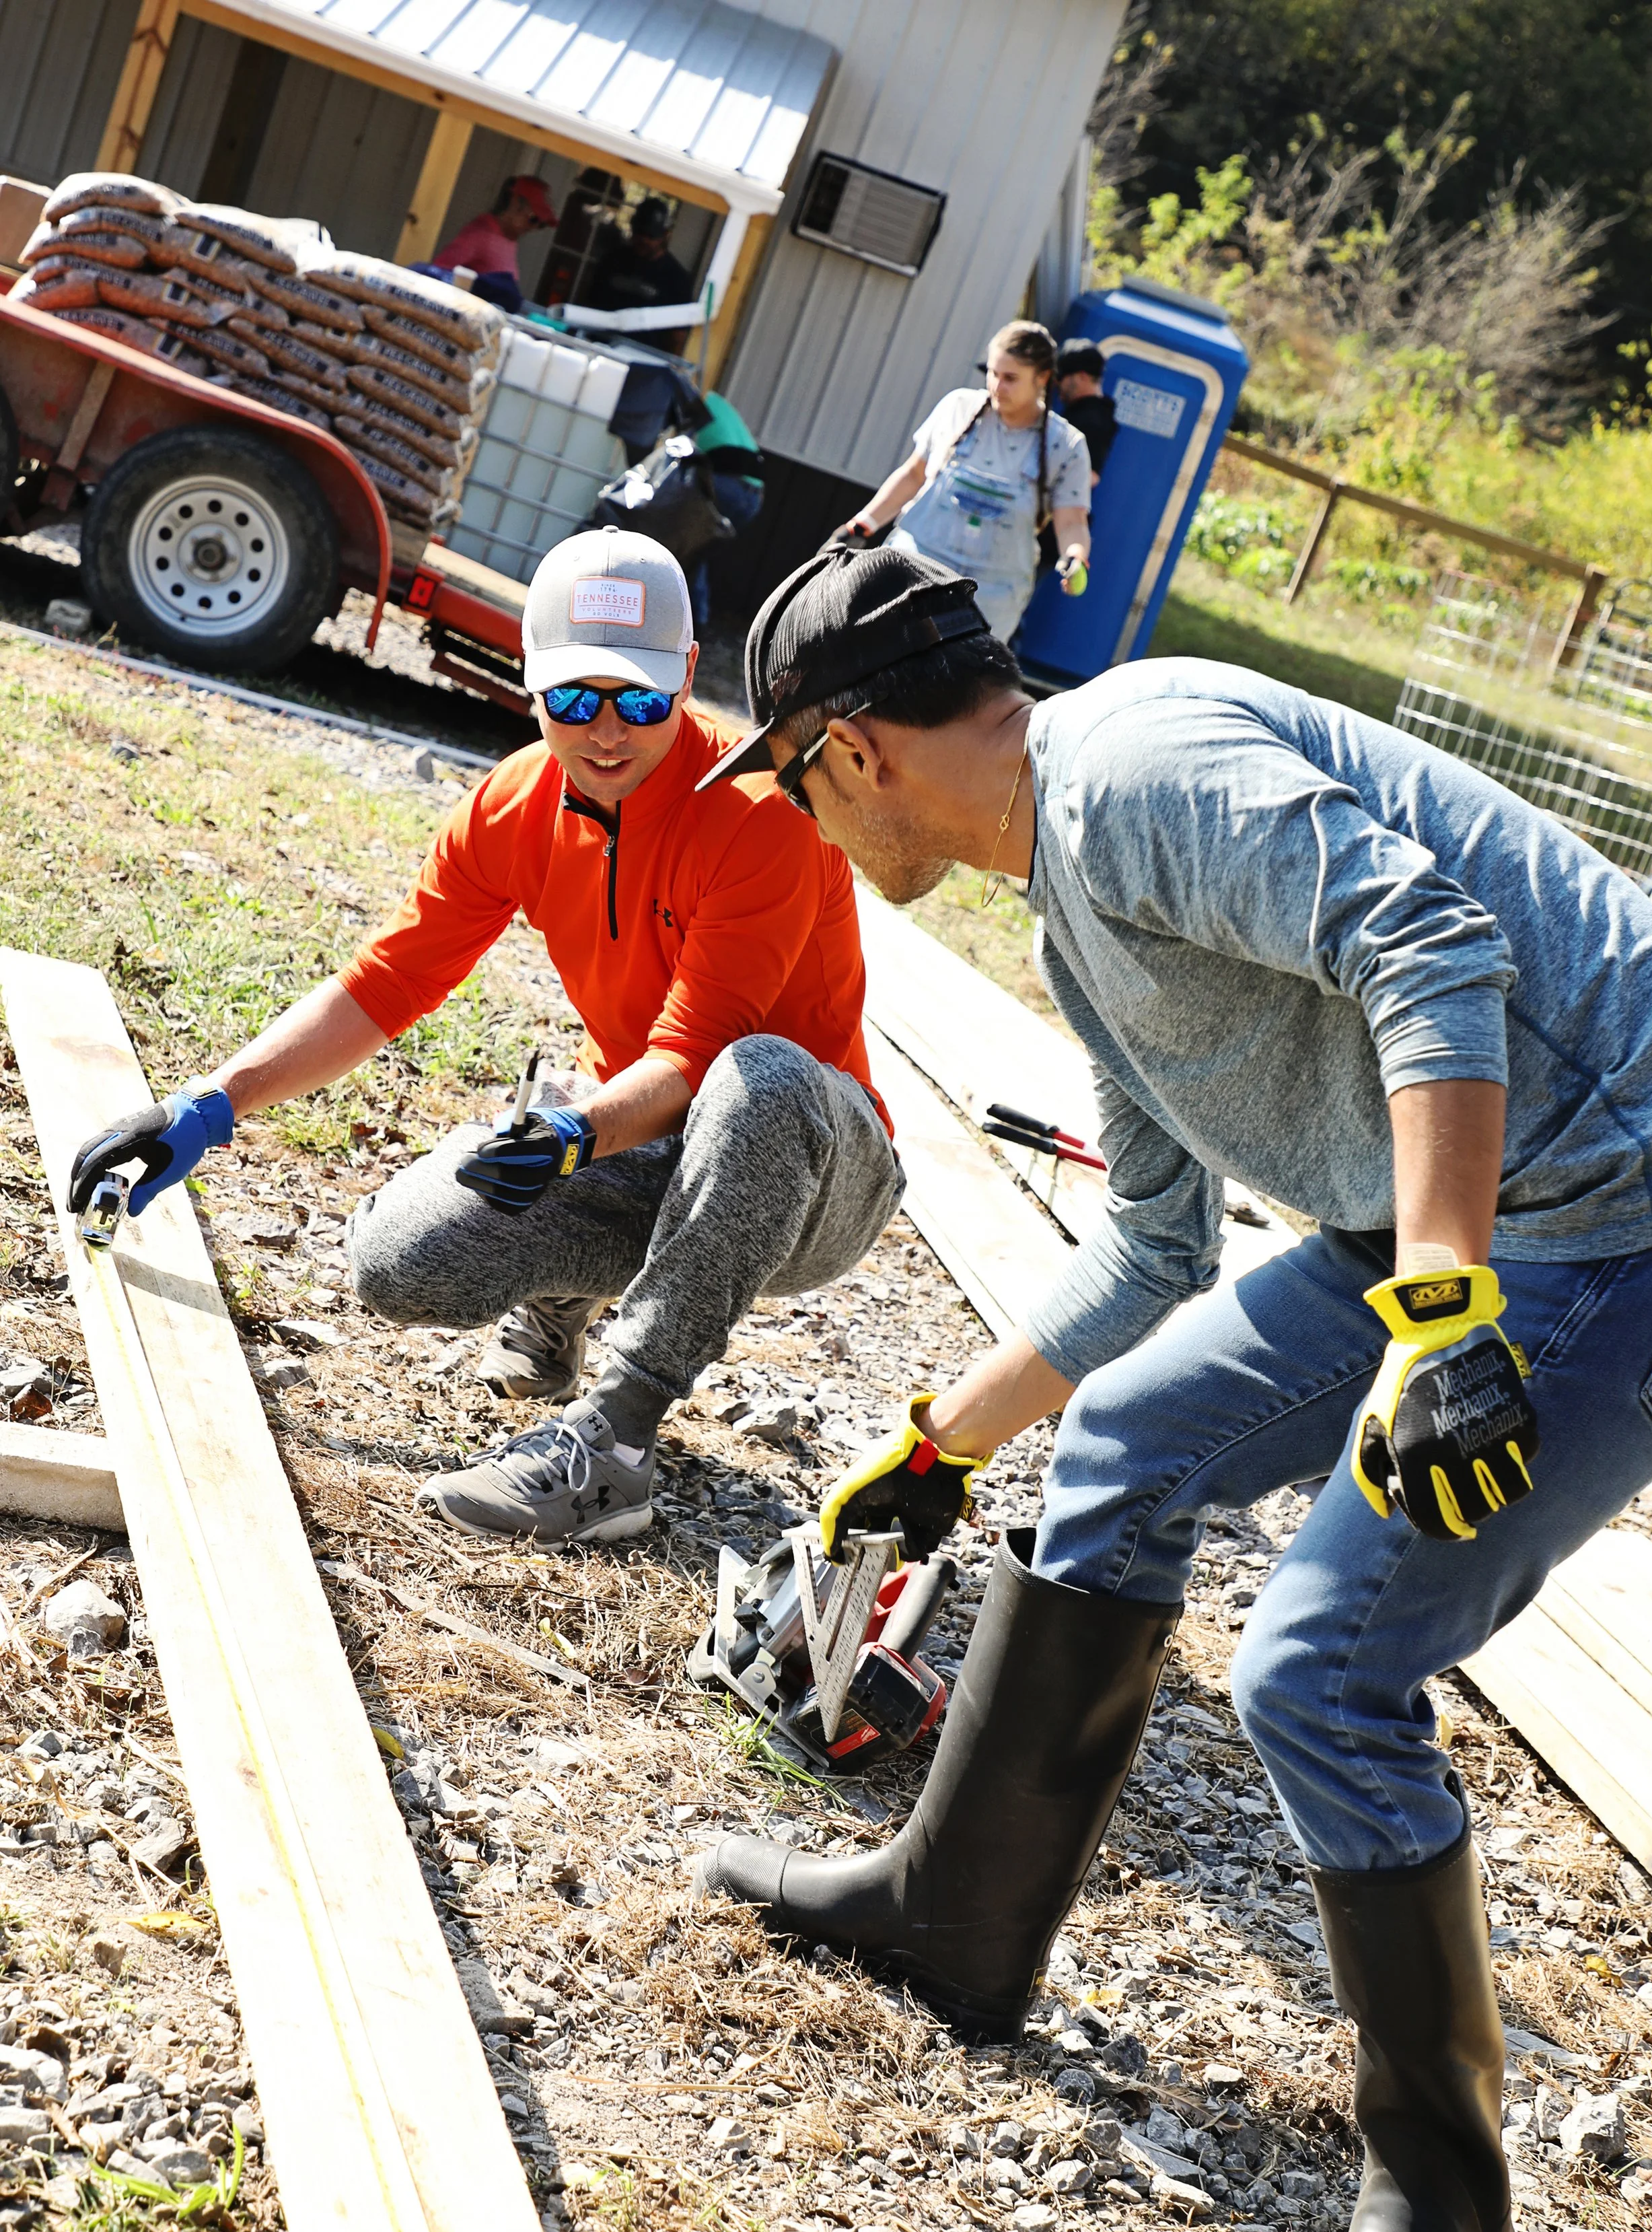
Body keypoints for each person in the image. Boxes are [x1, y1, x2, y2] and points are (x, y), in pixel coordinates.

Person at [693, 543, 1652, 2232]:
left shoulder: (1131, 765)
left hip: (1624, 1220)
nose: (810, 829)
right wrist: (927, 1452)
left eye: (792, 788)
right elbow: (1146, 1251)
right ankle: (958, 1916)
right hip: (1450, 1214)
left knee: (1317, 1666)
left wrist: (1446, 1307)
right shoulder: (1075, 910)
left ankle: (1443, 2226)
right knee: (1130, 1445)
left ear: (844, 753)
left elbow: (1427, 942)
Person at [66, 530, 904, 1550]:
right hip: (654, 1135)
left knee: (757, 1077)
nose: (606, 730)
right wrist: (209, 1105)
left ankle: (618, 1444)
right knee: (399, 1261)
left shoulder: (763, 814)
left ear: (687, 677)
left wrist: (574, 1134)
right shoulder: (509, 806)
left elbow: (696, 1056)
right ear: (529, 677)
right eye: (573, 698)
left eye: (640, 700)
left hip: (817, 1168)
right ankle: (569, 1292)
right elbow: (387, 984)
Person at [836, 321, 1091, 641]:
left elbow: (1071, 521)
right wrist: (861, 526)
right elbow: (914, 474)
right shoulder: (958, 408)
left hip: (992, 595)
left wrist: (1075, 557)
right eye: (993, 373)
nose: (997, 387)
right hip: (915, 565)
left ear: (1041, 379)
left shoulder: (1065, 445)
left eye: (1010, 379)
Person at [687, 390, 764, 627]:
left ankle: (691, 621)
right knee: (695, 552)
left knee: (684, 547)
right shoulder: (716, 401)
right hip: (755, 495)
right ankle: (696, 620)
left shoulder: (688, 404)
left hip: (727, 487)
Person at [434, 174, 558, 314]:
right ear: (515, 203)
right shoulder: (482, 233)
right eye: (533, 219)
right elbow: (438, 273)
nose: (534, 229)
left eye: (541, 225)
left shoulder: (508, 237)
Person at [584, 198, 695, 351]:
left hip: (641, 358)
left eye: (651, 235)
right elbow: (589, 303)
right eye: (639, 232)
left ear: (665, 236)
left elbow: (677, 337)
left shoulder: (677, 280)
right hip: (597, 345)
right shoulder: (613, 260)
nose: (643, 239)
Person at [1054, 339, 1118, 477]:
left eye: (1061, 377)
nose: (1058, 384)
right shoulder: (1082, 411)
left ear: (1082, 377)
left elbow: (1090, 476)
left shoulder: (1094, 420)